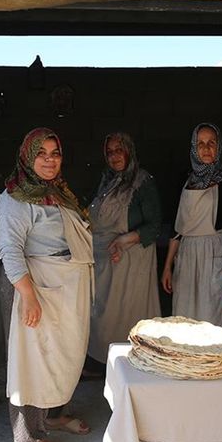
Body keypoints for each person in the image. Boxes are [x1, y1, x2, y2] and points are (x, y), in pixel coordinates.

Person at [0, 127, 94, 442]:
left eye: (56, 153)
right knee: (32, 363)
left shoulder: (57, 192)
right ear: (27, 156)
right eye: (42, 153)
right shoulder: (14, 199)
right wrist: (28, 296)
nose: (50, 160)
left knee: (60, 358)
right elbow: (10, 251)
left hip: (65, 289)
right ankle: (29, 439)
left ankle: (51, 417)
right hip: (38, 289)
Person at [85, 132, 162, 374]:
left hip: (130, 258)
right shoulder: (108, 181)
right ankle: (102, 364)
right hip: (105, 260)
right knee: (102, 314)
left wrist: (123, 239)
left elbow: (155, 225)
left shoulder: (141, 182)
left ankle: (129, 365)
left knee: (126, 315)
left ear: (129, 151)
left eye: (119, 150)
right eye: (109, 152)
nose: (114, 156)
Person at [162, 123, 222, 331]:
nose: (206, 148)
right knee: (186, 316)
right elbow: (176, 229)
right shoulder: (185, 180)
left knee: (214, 315)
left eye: (211, 143)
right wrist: (168, 266)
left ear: (219, 147)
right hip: (187, 255)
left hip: (217, 252)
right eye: (200, 144)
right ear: (193, 148)